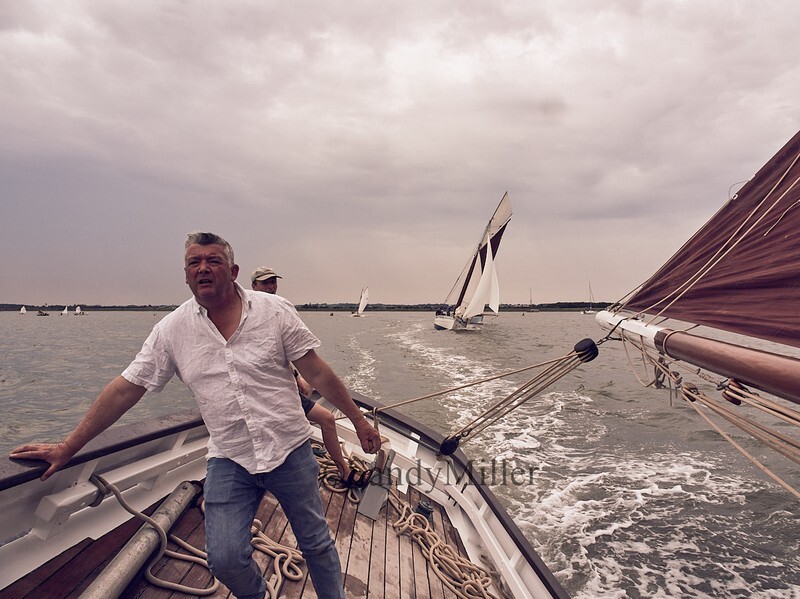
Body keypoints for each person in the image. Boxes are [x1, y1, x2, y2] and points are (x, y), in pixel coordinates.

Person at [10, 232, 381, 599]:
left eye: (213, 261)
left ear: (233, 270)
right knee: (224, 559)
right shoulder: (171, 330)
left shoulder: (274, 311)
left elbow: (316, 372)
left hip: (288, 448)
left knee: (316, 543)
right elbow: (126, 388)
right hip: (230, 457)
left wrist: (359, 420)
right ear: (186, 274)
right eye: (194, 263)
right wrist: (68, 446)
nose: (203, 268)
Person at [251, 265, 350, 480]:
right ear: (253, 286)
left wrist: (296, 378)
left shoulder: (277, 312)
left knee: (309, 383)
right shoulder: (250, 316)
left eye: (273, 282)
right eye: (265, 282)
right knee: (328, 419)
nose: (271, 287)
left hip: (284, 390)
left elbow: (284, 357)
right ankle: (344, 470)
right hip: (271, 396)